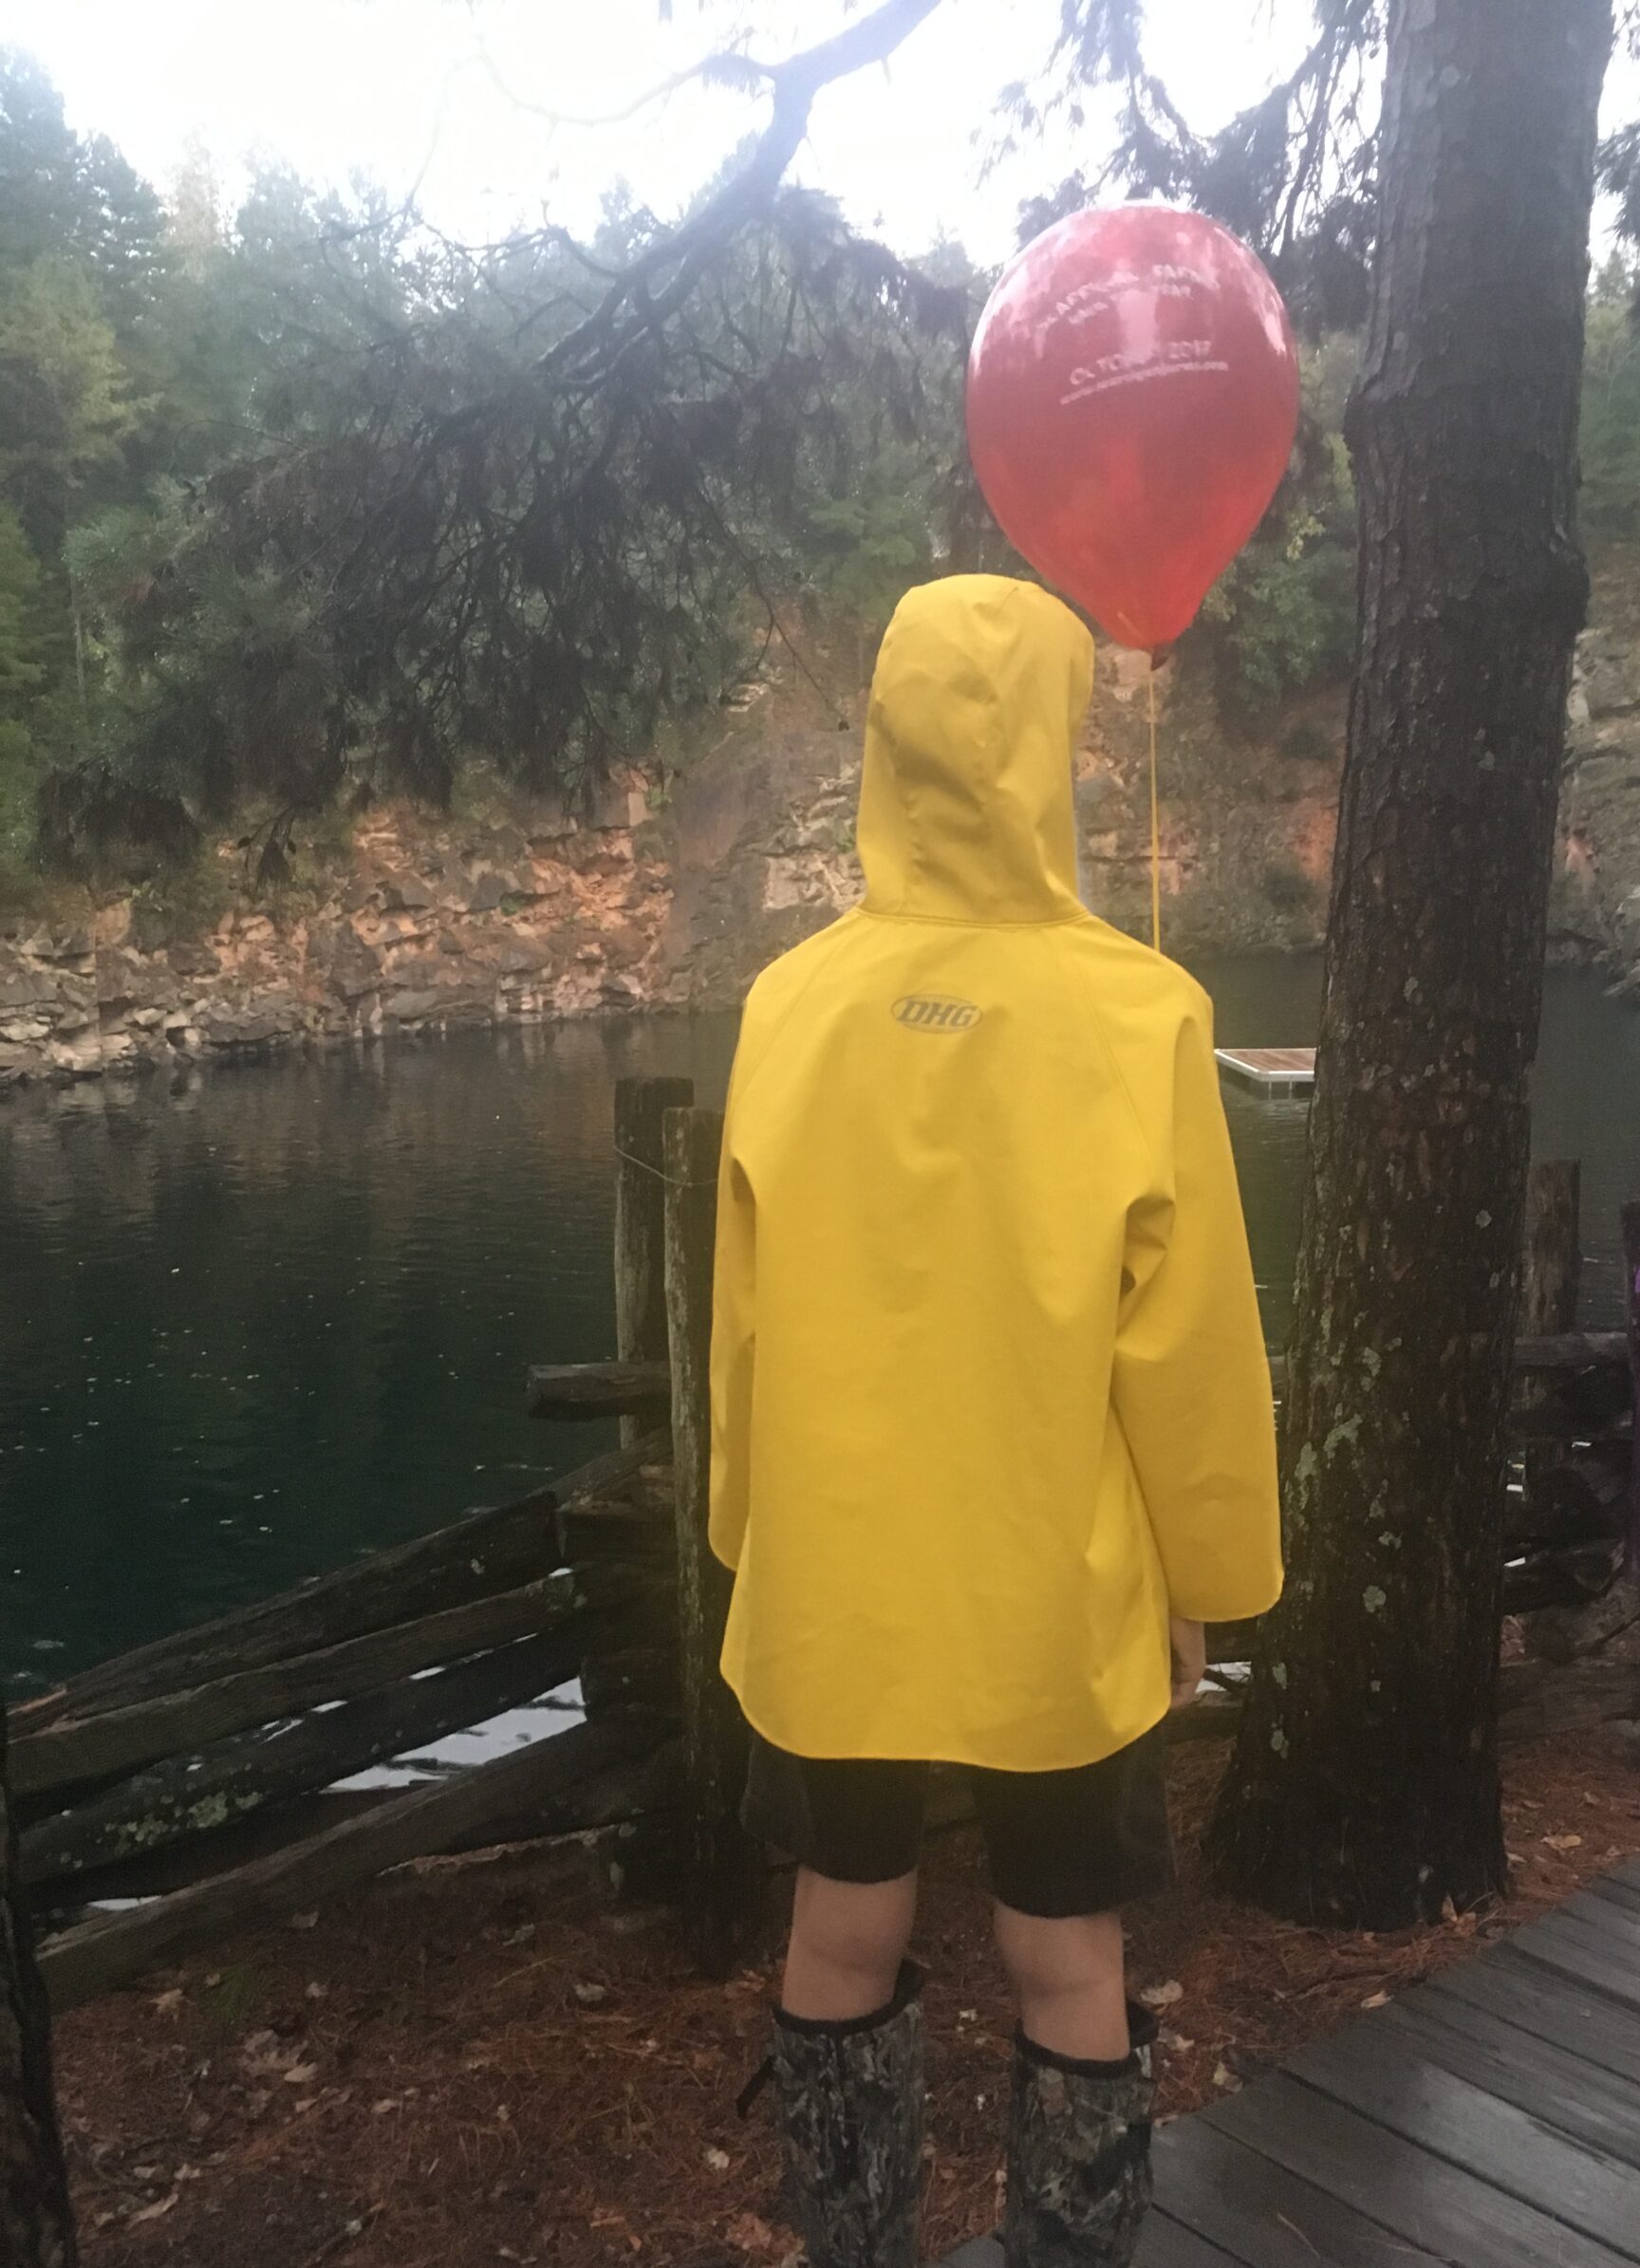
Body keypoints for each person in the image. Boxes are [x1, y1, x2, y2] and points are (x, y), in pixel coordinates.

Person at [707, 574, 1282, 2268]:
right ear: (1055, 752)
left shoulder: (786, 1006)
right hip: (1054, 1575)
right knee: (1071, 1954)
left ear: (884, 739)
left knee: (837, 1931)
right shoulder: (1138, 1010)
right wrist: (1205, 1573)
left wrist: (751, 1538)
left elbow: (742, 1324)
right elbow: (1186, 1350)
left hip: (841, 1578)